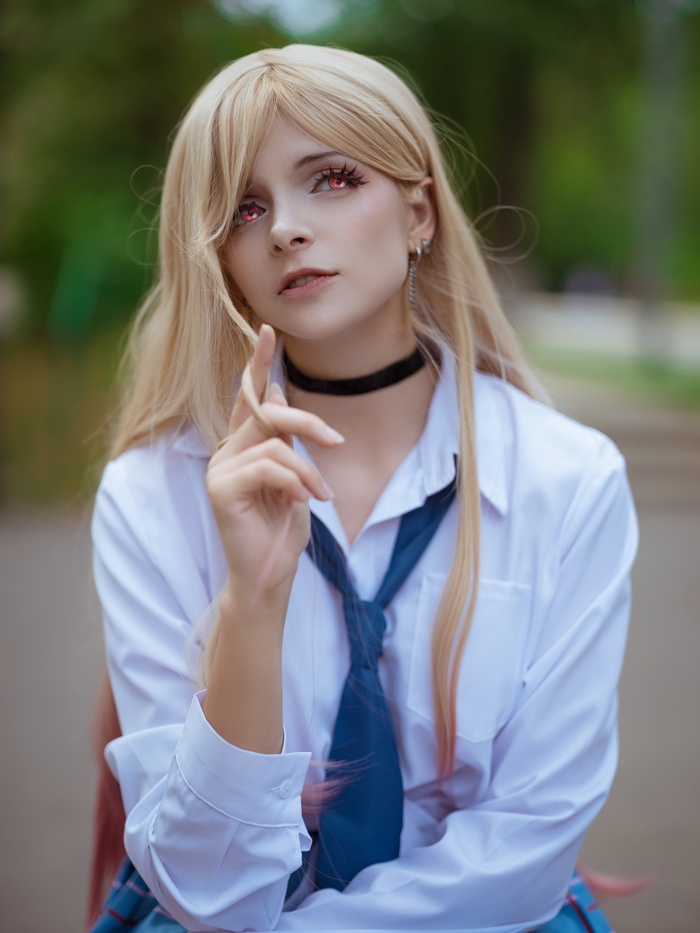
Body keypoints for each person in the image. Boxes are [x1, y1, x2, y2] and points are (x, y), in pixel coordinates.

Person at [87, 44, 638, 933]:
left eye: (333, 179)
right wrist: (251, 605)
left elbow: (530, 841)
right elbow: (202, 888)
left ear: (419, 212)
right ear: (219, 257)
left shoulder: (568, 480)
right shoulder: (151, 495)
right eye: (244, 208)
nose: (285, 229)